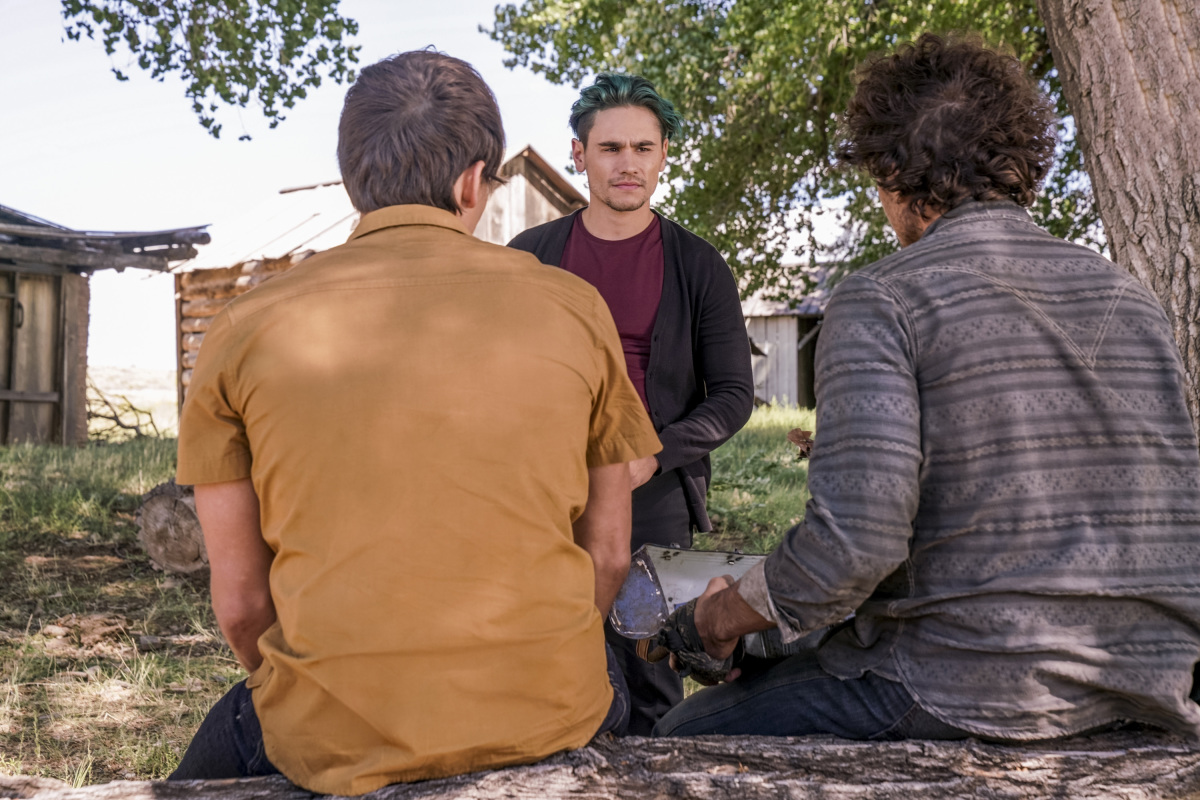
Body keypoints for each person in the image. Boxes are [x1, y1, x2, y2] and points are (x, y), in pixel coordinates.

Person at [653, 33, 1200, 742]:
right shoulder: (1130, 298)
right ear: (1018, 163)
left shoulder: (884, 297)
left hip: (968, 681)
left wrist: (716, 620)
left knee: (681, 736)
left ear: (891, 173)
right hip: (1151, 679)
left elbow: (855, 544)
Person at [170, 50, 662, 795]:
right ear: (472, 181)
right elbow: (610, 554)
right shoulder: (574, 308)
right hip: (548, 711)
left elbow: (241, 607)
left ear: (353, 178)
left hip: (331, 733)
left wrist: (322, 697)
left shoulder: (242, 329)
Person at [508, 73, 755, 734]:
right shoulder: (528, 260)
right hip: (546, 489)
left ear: (664, 154)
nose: (628, 164)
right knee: (547, 656)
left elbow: (734, 395)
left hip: (654, 490)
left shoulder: (698, 265)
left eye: (643, 148)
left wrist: (652, 456)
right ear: (579, 154)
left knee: (648, 671)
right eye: (611, 147)